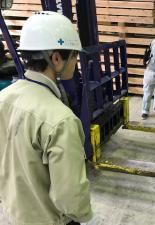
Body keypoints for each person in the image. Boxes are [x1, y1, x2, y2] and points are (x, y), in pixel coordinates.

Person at [0, 11, 99, 225]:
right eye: (74, 56)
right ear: (56, 58)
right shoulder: (61, 120)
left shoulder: (3, 98)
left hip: (15, 213)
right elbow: (70, 198)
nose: (76, 62)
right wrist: (83, 214)